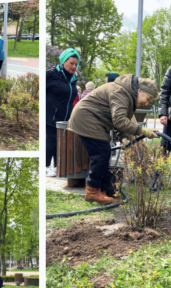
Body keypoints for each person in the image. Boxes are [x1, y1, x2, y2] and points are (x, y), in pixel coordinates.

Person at [68, 74, 159, 203]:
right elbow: (119, 120)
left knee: (104, 153)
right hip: (87, 118)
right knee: (101, 153)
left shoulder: (127, 95)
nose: (146, 103)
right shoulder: (121, 92)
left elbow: (118, 119)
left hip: (93, 119)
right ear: (139, 91)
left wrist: (123, 137)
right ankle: (92, 192)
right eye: (147, 98)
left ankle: (102, 190)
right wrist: (142, 130)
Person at [46, 48, 80, 177]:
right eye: (71, 63)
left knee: (59, 142)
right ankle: (44, 166)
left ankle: (55, 167)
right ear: (63, 61)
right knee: (51, 140)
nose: (73, 66)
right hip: (50, 116)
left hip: (65, 117)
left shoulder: (73, 78)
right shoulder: (51, 74)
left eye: (76, 64)